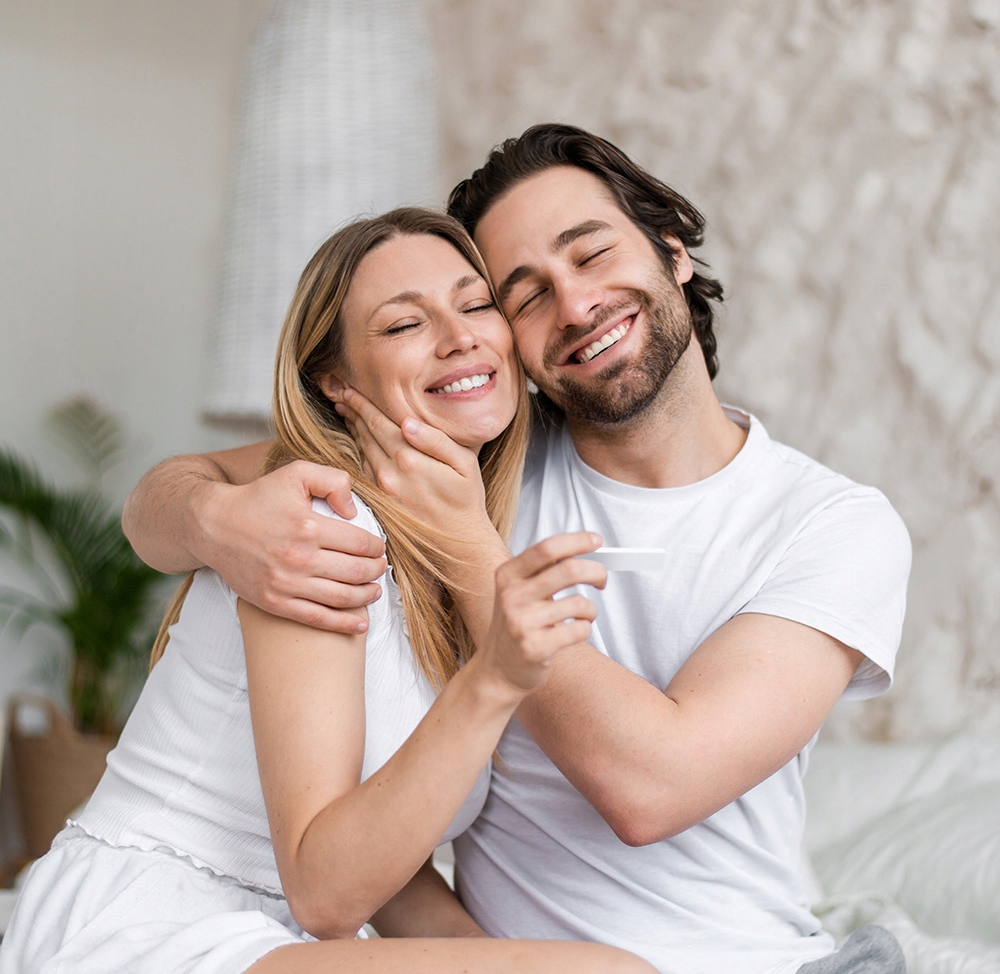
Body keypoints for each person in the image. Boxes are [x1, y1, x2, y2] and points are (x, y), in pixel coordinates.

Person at [119, 126, 912, 974]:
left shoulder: (831, 525)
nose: (574, 306)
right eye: (524, 296)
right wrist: (215, 522)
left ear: (673, 249)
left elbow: (652, 790)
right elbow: (172, 491)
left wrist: (467, 540)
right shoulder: (464, 454)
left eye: (592, 254)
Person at [0, 208, 655, 974]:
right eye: (405, 323)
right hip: (146, 922)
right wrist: (495, 680)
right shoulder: (318, 526)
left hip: (278, 935)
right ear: (335, 380)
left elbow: (390, 877)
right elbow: (325, 892)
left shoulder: (449, 545)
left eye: (477, 304)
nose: (460, 337)